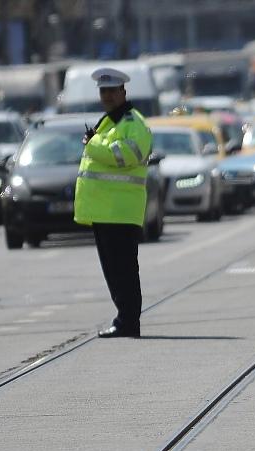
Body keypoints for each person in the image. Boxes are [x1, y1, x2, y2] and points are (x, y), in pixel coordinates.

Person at [74, 67, 153, 338]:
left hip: (120, 211)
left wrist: (92, 144)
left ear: (123, 92)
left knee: (124, 271)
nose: (107, 96)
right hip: (105, 211)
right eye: (103, 91)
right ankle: (124, 319)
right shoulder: (109, 122)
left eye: (111, 91)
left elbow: (128, 155)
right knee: (114, 272)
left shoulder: (133, 122)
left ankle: (128, 322)